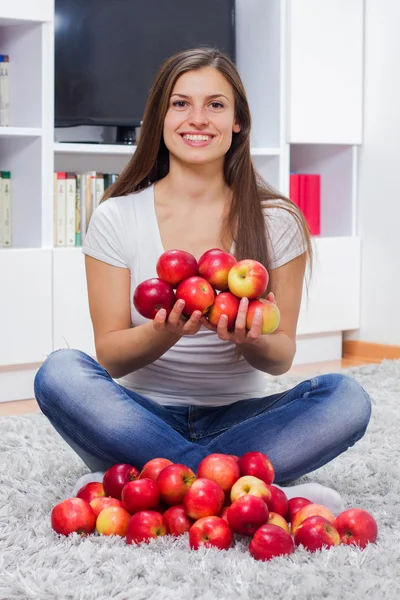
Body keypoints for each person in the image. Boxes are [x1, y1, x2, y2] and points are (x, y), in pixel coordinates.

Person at [34, 48, 371, 513]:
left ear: (237, 121)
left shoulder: (277, 221)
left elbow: (281, 357)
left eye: (215, 104)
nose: (198, 119)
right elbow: (109, 357)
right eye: (180, 104)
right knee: (59, 372)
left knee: (347, 398)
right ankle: (257, 494)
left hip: (242, 419)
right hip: (139, 417)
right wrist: (163, 332)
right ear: (160, 117)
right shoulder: (116, 216)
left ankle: (144, 483)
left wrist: (252, 339)